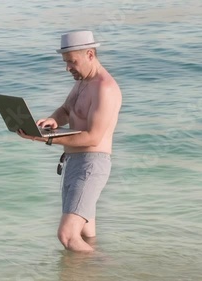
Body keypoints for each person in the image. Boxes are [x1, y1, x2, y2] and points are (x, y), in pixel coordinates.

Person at [17, 30, 122, 252]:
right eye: (65, 62)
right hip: (74, 163)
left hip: (91, 165)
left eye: (72, 62)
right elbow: (66, 109)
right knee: (86, 235)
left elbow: (93, 138)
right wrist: (53, 120)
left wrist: (43, 139)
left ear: (90, 54)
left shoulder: (105, 88)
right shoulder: (83, 82)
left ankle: (109, 272)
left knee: (67, 235)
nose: (68, 68)